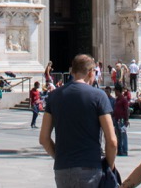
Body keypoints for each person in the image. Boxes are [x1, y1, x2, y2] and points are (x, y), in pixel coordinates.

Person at [39, 53, 118, 188]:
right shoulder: (99, 96)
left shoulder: (54, 96)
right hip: (90, 168)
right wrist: (109, 166)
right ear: (90, 72)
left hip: (62, 169)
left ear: (72, 71)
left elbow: (44, 138)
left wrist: (59, 158)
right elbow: (111, 141)